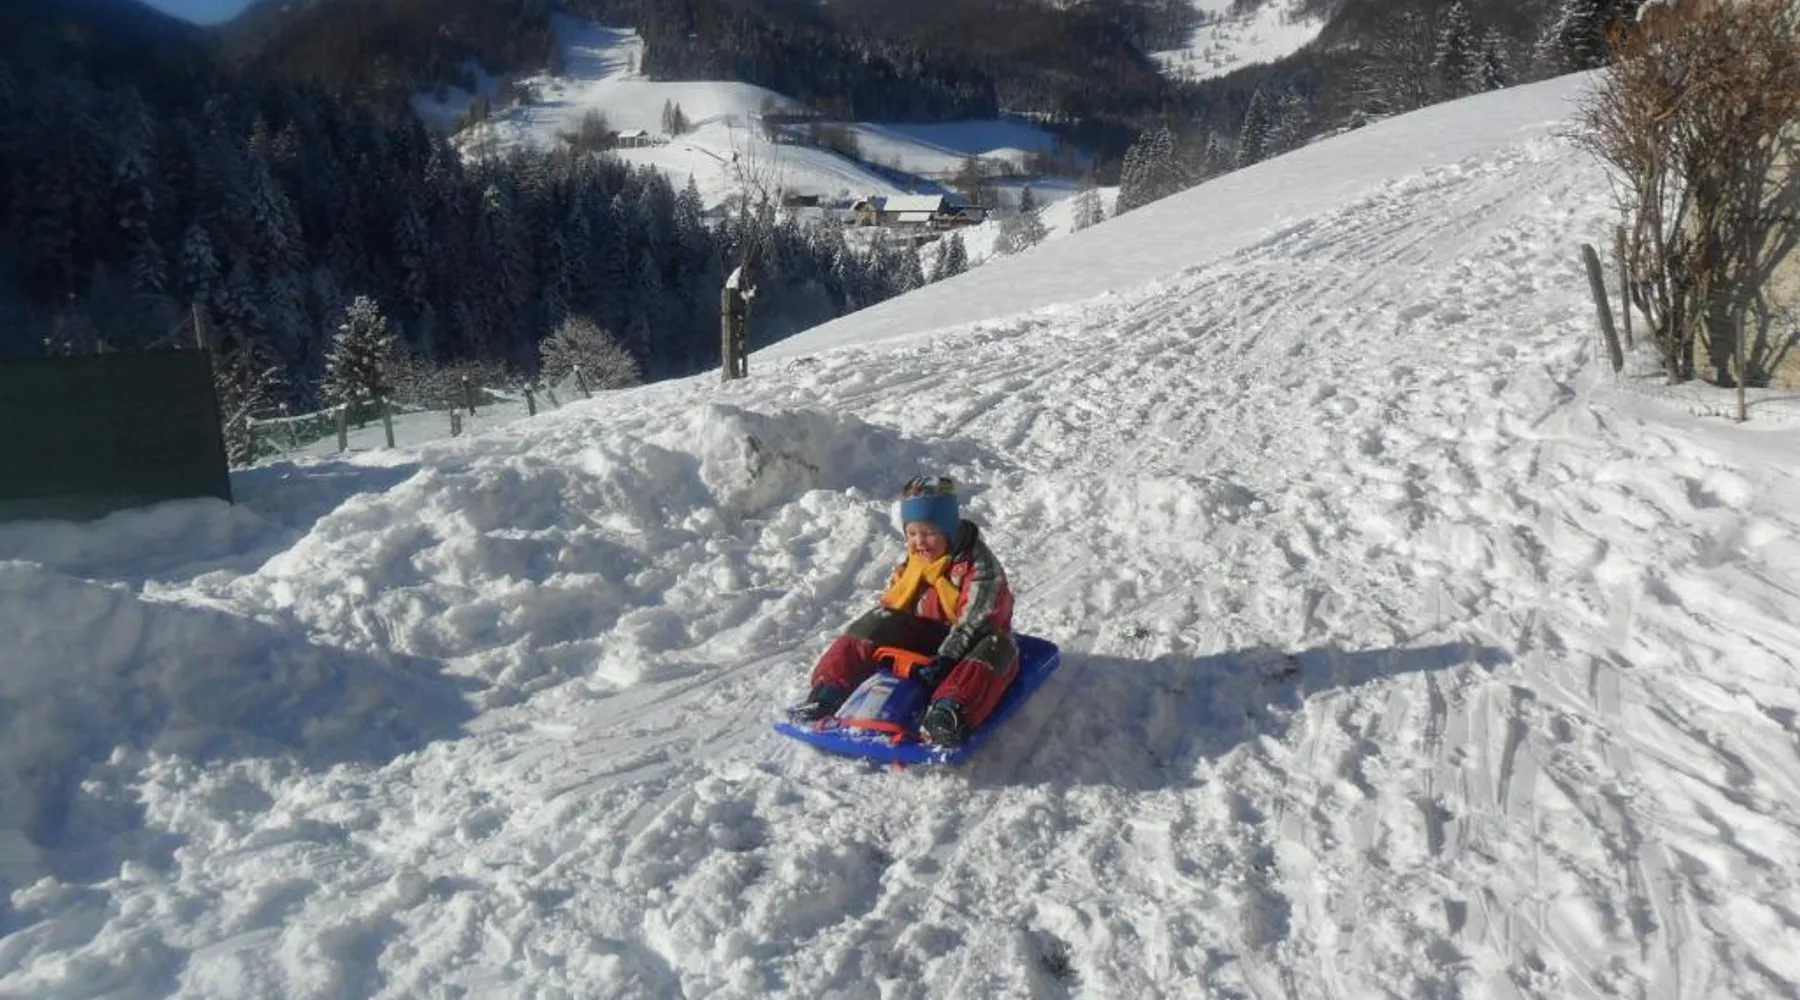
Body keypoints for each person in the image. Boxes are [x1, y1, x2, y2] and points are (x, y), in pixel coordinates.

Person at [791, 475, 1019, 746]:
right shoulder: (917, 559)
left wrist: (947, 658)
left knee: (996, 648)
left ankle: (949, 711)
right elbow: (896, 602)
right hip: (928, 634)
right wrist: (887, 633)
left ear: (949, 529)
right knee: (877, 620)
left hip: (972, 642)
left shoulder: (980, 565)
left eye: (929, 533)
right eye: (912, 534)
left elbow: (977, 622)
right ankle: (826, 693)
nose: (919, 542)